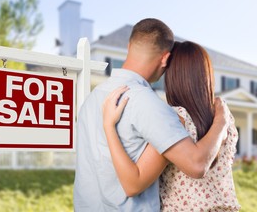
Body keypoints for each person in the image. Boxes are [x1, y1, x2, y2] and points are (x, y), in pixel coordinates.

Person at [74, 18, 230, 211]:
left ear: (129, 45)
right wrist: (222, 121)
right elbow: (197, 165)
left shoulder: (92, 99)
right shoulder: (148, 103)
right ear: (165, 59)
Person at [103, 41, 240, 211]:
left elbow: (133, 184)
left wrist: (108, 126)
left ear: (173, 76)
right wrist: (221, 121)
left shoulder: (176, 119)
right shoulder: (224, 117)